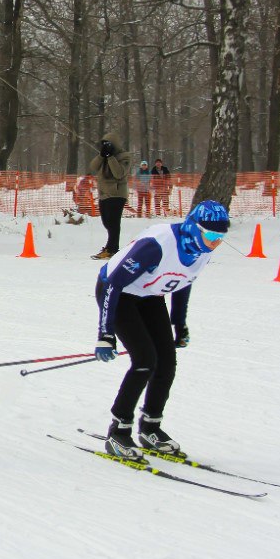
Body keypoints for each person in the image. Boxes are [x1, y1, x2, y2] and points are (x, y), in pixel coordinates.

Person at [93, 200, 229, 461]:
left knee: (166, 362)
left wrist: (179, 322)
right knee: (145, 361)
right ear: (194, 228)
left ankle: (150, 427)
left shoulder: (201, 247)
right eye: (212, 235)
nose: (216, 242)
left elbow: (183, 280)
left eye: (221, 237)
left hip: (149, 295)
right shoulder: (157, 244)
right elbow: (113, 283)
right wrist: (105, 335)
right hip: (119, 294)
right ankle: (118, 432)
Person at [87, 132, 131, 259]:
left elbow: (118, 173)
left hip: (117, 194)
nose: (106, 146)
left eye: (108, 144)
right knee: (106, 221)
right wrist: (102, 155)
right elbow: (93, 166)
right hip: (104, 194)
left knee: (113, 222)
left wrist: (111, 157)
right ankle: (110, 247)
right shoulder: (103, 157)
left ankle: (112, 248)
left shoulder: (125, 157)